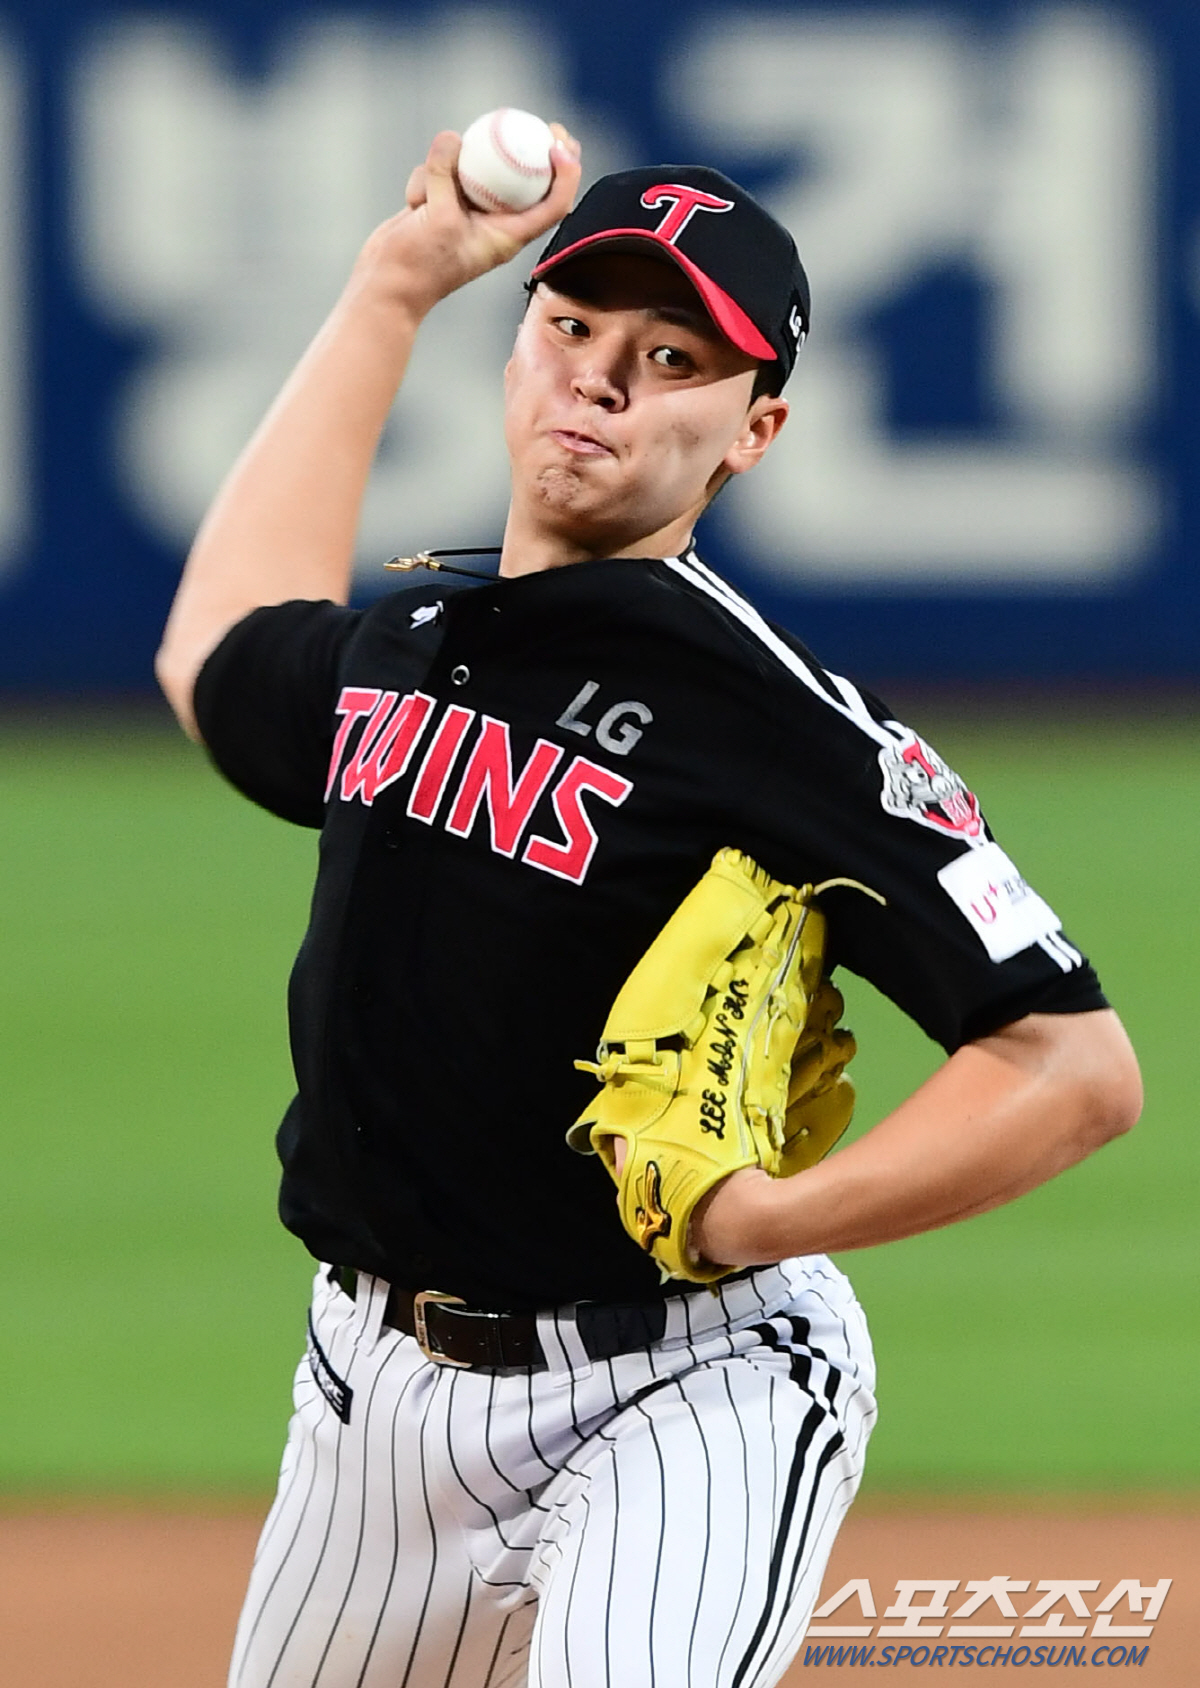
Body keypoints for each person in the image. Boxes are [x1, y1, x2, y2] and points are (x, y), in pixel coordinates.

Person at [156, 125, 1142, 1688]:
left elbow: (1072, 1065)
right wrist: (393, 288)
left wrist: (774, 1220)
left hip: (685, 1392)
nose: (600, 378)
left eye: (672, 355)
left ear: (755, 430)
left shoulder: (771, 717)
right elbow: (214, 653)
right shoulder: (413, 631)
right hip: (370, 1397)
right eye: (572, 327)